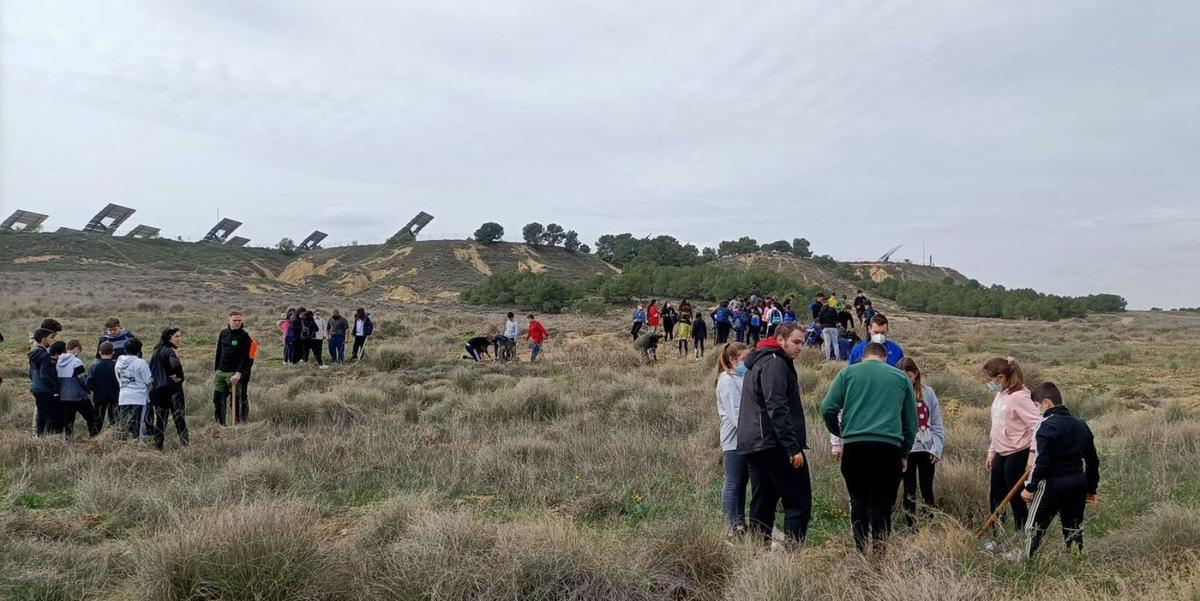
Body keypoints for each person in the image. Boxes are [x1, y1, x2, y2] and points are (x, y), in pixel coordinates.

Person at [820, 342, 917, 554]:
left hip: (856, 447)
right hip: (889, 448)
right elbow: (911, 422)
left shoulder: (847, 374)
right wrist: (904, 451)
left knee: (859, 502)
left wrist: (840, 432)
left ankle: (861, 552)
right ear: (885, 358)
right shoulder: (900, 378)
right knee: (883, 505)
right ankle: (880, 554)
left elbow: (827, 408)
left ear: (863, 357)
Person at [737, 323, 812, 546]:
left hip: (755, 443)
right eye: (796, 342)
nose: (801, 347)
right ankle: (792, 555)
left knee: (764, 499)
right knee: (798, 500)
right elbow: (777, 407)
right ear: (780, 340)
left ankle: (758, 551)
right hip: (773, 443)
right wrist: (793, 447)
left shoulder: (762, 361)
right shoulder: (774, 363)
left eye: (803, 342)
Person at [1021, 382, 1100, 558]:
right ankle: (1075, 560)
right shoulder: (1081, 424)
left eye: (1036, 406)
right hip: (1077, 482)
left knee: (1033, 527)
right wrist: (1091, 488)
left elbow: (1042, 461)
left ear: (1047, 403)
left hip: (1051, 483)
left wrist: (1030, 487)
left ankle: (1026, 563)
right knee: (1073, 527)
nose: (1037, 410)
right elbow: (1093, 460)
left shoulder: (1045, 425)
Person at [983, 356, 1040, 536]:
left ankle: (1021, 537)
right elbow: (998, 426)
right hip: (1000, 451)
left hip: (1018, 453)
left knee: (1015, 498)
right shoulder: (1001, 395)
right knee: (995, 496)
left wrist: (1032, 454)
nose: (989, 383)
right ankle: (996, 537)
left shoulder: (1020, 397)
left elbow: (1038, 426)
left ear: (1001, 378)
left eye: (990, 379)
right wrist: (991, 452)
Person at [897, 357, 944, 528]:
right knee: (908, 489)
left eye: (909, 375)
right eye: (902, 376)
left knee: (927, 488)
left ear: (915, 374)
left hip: (926, 449)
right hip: (905, 450)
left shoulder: (928, 392)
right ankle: (911, 525)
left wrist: (937, 448)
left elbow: (937, 422)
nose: (906, 379)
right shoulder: (896, 392)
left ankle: (929, 523)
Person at [716, 342, 751, 534]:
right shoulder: (727, 380)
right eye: (744, 359)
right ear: (732, 359)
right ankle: (732, 525)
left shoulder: (742, 377)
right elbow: (736, 412)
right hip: (734, 440)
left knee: (741, 483)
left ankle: (740, 523)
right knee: (733, 482)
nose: (747, 362)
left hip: (746, 439)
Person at [148, 328, 188, 450]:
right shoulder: (171, 351)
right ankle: (185, 445)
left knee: (160, 420)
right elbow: (175, 367)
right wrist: (178, 378)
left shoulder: (157, 351)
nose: (179, 339)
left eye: (180, 336)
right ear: (169, 338)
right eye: (176, 336)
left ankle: (158, 446)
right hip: (173, 391)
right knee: (179, 418)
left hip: (158, 391)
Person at [213, 311, 252, 426]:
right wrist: (217, 369)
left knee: (236, 402)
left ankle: (238, 425)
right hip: (221, 371)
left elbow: (246, 357)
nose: (237, 322)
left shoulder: (244, 336)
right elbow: (219, 351)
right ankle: (220, 425)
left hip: (235, 373)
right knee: (218, 400)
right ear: (229, 320)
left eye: (239, 320)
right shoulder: (223, 333)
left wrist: (239, 373)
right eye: (234, 320)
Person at [57, 339, 96, 439]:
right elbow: (82, 380)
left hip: (64, 396)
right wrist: (88, 390)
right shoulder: (76, 361)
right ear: (77, 349)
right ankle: (94, 437)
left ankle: (69, 442)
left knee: (68, 422)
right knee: (91, 417)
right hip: (78, 396)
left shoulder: (59, 361)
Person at [115, 338, 152, 440]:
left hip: (123, 397)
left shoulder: (118, 363)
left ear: (125, 350)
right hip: (139, 397)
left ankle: (122, 444)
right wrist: (146, 395)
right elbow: (149, 382)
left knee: (124, 424)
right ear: (140, 350)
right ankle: (137, 446)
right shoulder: (141, 363)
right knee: (138, 424)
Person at [28, 327, 60, 435]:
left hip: (36, 389)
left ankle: (39, 439)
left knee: (41, 417)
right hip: (45, 390)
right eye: (50, 338)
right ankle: (50, 442)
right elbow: (44, 375)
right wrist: (55, 387)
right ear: (44, 339)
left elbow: (31, 373)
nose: (52, 340)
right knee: (51, 418)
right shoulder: (45, 355)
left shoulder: (32, 353)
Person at [88, 342, 120, 432]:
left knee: (97, 419)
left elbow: (89, 383)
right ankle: (115, 436)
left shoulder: (94, 366)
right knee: (115, 418)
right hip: (114, 397)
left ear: (99, 352)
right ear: (113, 352)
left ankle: (94, 436)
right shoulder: (116, 366)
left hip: (99, 397)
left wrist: (95, 389)